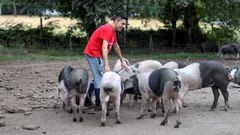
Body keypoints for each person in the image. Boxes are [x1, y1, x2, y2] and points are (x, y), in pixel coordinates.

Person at [84, 14, 129, 111]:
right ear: (116, 21)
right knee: (99, 79)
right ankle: (98, 104)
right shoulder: (108, 30)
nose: (123, 26)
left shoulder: (113, 31)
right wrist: (106, 65)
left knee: (98, 76)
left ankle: (87, 99)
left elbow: (116, 46)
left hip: (96, 54)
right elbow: (104, 47)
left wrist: (122, 61)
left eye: (125, 24)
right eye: (122, 23)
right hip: (93, 54)